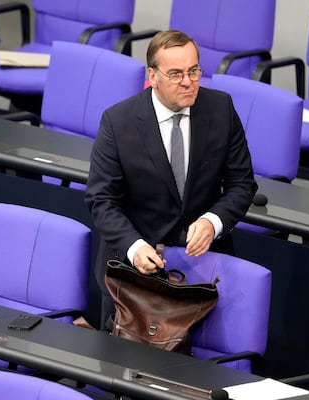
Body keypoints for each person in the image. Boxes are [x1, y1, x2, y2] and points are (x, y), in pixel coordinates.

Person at [85, 29, 257, 327]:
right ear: (153, 76)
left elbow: (242, 184)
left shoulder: (221, 109)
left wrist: (212, 221)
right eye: (176, 74)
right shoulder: (118, 122)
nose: (189, 82)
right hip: (134, 275)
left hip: (203, 274)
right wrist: (134, 246)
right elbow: (102, 199)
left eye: (194, 71)